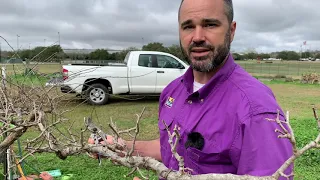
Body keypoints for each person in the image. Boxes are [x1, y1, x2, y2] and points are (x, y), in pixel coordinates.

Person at [91, 0, 294, 179]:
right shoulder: (172, 92)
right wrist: (119, 145)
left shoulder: (257, 109)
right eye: (188, 26)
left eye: (210, 24)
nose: (197, 37)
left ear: (231, 31)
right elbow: (171, 150)